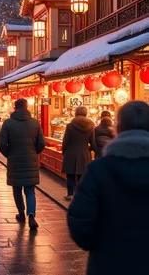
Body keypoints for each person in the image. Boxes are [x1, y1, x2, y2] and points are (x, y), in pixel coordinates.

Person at [68, 101, 149, 275]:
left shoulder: (99, 170)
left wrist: (99, 246)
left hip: (107, 264)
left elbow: (80, 221)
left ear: (117, 129)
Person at [0, 98, 45, 230]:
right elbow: (41, 143)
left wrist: (8, 153)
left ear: (15, 107)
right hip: (30, 160)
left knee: (17, 189)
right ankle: (31, 216)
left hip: (14, 160)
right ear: (26, 107)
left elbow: (1, 143)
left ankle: (21, 213)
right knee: (30, 190)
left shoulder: (8, 123)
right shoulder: (35, 123)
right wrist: (34, 152)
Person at [62, 106, 96, 200]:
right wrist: (89, 149)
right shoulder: (91, 125)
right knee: (83, 175)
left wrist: (64, 150)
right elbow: (93, 142)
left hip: (71, 152)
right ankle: (80, 194)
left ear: (76, 113)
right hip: (85, 153)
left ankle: (70, 194)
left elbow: (66, 141)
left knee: (70, 175)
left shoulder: (70, 125)